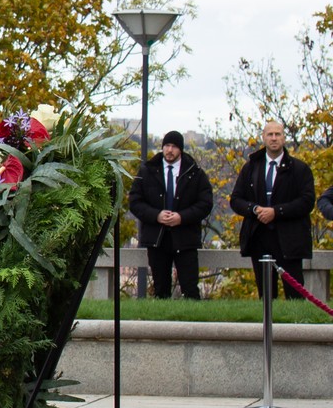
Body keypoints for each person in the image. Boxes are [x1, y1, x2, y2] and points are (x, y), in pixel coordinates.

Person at [229, 120, 315, 300]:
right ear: (263, 138)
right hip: (259, 238)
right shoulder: (251, 167)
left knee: (295, 297)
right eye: (270, 134)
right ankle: (267, 329)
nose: (274, 138)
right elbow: (236, 200)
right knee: (266, 297)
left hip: (289, 241)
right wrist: (254, 209)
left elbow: (307, 202)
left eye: (278, 134)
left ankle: (296, 328)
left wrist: (276, 211)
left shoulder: (299, 169)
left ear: (284, 138)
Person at [130, 129, 211, 301]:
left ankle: (193, 325)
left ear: (180, 149)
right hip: (157, 238)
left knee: (190, 289)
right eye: (166, 145)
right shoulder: (147, 171)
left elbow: (205, 204)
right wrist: (156, 215)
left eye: (174, 146)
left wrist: (181, 217)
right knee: (160, 290)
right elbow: (135, 202)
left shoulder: (195, 172)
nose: (169, 150)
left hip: (185, 238)